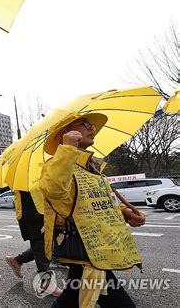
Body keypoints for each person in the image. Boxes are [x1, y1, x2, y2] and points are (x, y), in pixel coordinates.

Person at [33, 115, 145, 307]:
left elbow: (99, 202)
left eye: (91, 124)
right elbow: (55, 192)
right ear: (65, 134)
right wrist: (67, 149)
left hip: (98, 246)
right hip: (86, 248)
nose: (91, 127)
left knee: (71, 298)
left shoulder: (92, 167)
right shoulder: (56, 164)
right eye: (83, 124)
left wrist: (125, 212)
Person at [4, 190, 63, 297]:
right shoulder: (26, 176)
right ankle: (46, 282)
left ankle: (17, 260)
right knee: (40, 241)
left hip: (44, 206)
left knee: (48, 243)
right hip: (31, 207)